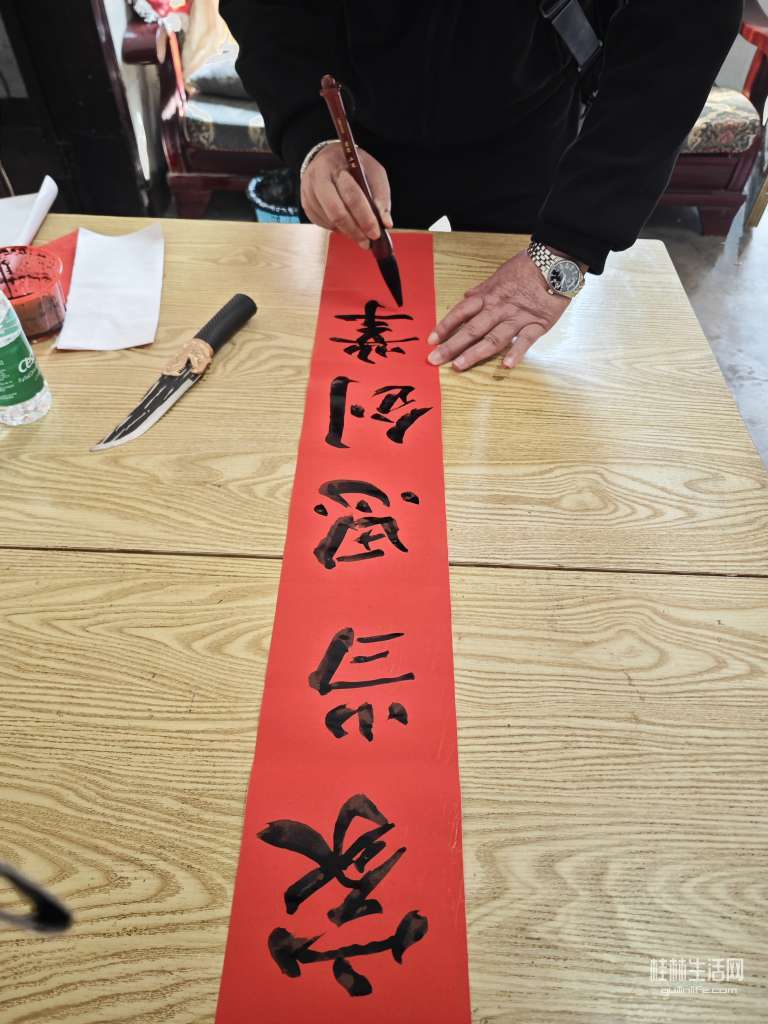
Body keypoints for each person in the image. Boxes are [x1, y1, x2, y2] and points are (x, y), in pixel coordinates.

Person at [220, 0, 742, 372]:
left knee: (503, 359)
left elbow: (686, 21)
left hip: (529, 112)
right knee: (359, 341)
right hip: (360, 130)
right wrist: (311, 135)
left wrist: (571, 246)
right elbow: (264, 11)